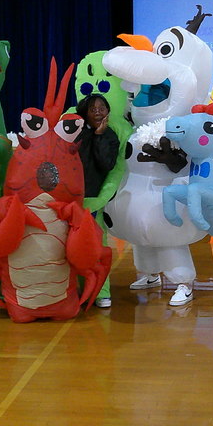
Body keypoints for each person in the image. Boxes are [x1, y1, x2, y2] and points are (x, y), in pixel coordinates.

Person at [76, 93, 121, 308]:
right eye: (92, 108)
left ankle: (101, 292)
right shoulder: (75, 132)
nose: (97, 111)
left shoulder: (110, 136)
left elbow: (107, 164)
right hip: (71, 200)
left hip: (93, 200)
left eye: (101, 107)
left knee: (97, 248)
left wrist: (100, 135)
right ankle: (75, 291)